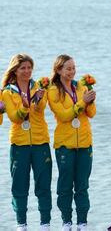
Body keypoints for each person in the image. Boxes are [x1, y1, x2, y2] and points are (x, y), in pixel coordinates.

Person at [1, 54, 52, 231]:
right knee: (19, 186)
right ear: (15, 70)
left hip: (40, 143)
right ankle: (21, 224)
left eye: (29, 67)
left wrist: (37, 99)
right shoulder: (7, 92)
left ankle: (45, 224)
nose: (27, 71)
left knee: (44, 185)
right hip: (19, 145)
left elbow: (40, 108)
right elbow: (15, 117)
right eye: (23, 68)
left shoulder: (39, 86)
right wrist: (24, 105)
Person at [48, 55, 96, 231]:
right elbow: (64, 115)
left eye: (73, 68)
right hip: (64, 145)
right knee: (65, 184)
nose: (72, 71)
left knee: (82, 184)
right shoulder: (53, 90)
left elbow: (91, 113)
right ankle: (66, 221)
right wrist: (83, 102)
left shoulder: (81, 86)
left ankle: (82, 222)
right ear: (59, 70)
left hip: (85, 143)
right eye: (68, 68)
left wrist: (90, 101)